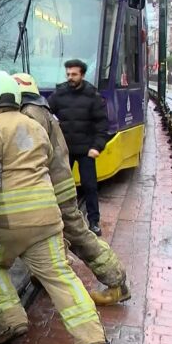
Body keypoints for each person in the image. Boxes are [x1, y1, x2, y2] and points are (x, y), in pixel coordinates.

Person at [0, 71, 108, 344]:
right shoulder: (36, 126)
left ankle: (11, 317)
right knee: (61, 276)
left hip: (2, 222)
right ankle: (91, 340)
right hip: (46, 220)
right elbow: (51, 163)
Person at [14, 72, 130, 305]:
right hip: (61, 183)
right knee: (60, 231)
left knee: (77, 234)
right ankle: (45, 275)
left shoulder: (29, 115)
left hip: (54, 188)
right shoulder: (43, 111)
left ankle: (116, 281)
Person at [47, 59, 109, 236]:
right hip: (65, 151)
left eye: (74, 74)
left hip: (86, 151)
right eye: (68, 74)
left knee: (90, 187)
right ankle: (56, 220)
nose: (70, 77)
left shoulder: (92, 96)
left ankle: (94, 222)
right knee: (59, 186)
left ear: (82, 74)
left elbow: (102, 124)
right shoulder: (60, 94)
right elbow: (46, 110)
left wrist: (97, 146)